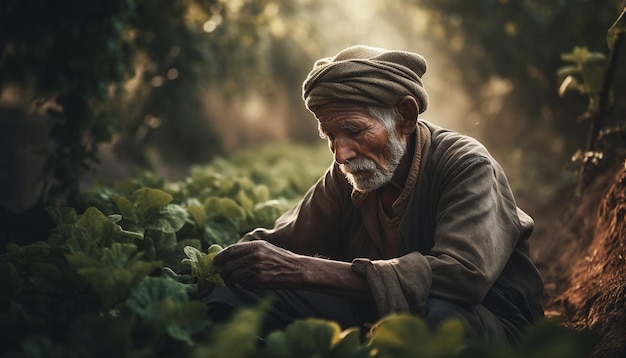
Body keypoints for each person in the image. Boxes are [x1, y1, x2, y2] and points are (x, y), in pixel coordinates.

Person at [202, 45, 545, 343]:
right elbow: (280, 243)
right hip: (378, 314)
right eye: (330, 135)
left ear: (405, 117)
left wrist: (305, 270)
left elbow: (463, 277)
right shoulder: (346, 175)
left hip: (489, 323)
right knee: (244, 287)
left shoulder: (466, 165)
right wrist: (207, 271)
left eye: (353, 130)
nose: (341, 154)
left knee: (435, 321)